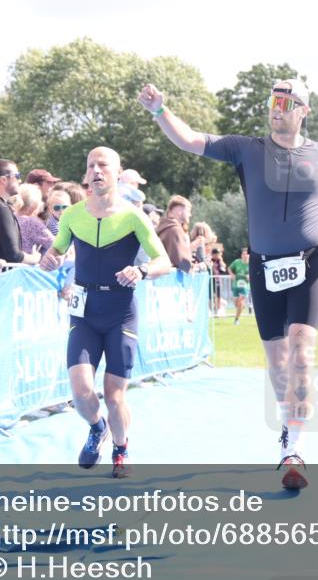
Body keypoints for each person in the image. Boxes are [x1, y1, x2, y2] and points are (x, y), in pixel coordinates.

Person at [139, 78, 318, 489]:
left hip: (310, 263)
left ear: (303, 111)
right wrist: (159, 111)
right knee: (278, 362)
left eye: (285, 101)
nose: (276, 108)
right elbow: (190, 139)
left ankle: (293, 449)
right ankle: (288, 424)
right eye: (272, 101)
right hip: (264, 268)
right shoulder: (247, 148)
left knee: (301, 351)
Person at [39, 147, 171, 478]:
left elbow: (164, 262)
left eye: (103, 165)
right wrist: (50, 257)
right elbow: (57, 249)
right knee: (81, 393)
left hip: (120, 313)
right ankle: (97, 428)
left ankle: (121, 449)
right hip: (83, 312)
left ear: (116, 172)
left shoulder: (133, 216)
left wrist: (140, 272)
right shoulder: (71, 216)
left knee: (114, 396)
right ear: (86, 175)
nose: (96, 170)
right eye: (90, 166)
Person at [156, 195, 200, 272]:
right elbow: (181, 260)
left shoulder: (165, 227)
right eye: (188, 210)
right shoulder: (175, 229)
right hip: (170, 280)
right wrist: (192, 268)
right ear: (179, 211)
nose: (190, 214)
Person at [12, 184, 55, 255]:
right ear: (34, 205)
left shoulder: (9, 218)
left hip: (6, 264)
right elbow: (56, 245)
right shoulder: (31, 223)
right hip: (25, 264)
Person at [228, 247, 251, 325]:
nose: (245, 256)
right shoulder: (237, 262)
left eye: (246, 254)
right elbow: (229, 268)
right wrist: (232, 275)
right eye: (243, 254)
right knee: (236, 303)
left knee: (240, 302)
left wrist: (250, 276)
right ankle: (242, 307)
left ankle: (236, 320)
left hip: (245, 286)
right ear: (241, 255)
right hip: (235, 285)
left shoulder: (251, 264)